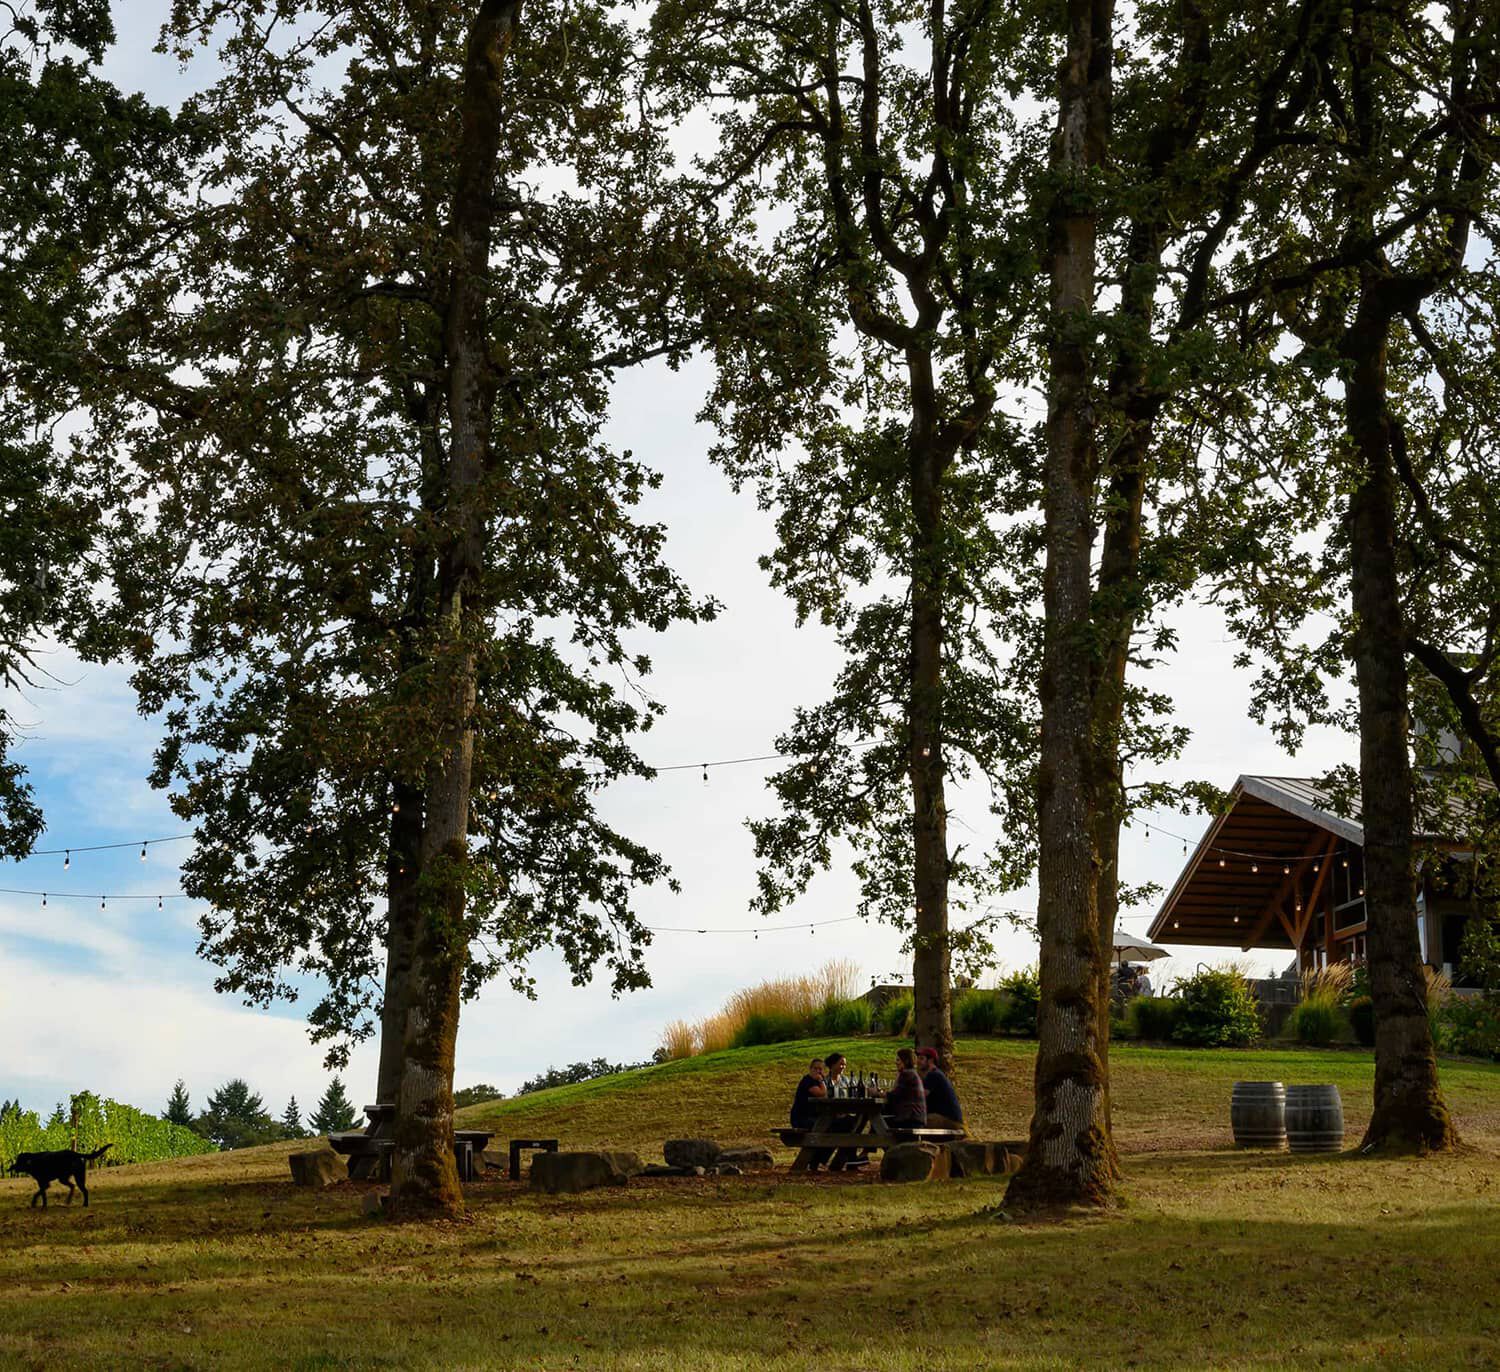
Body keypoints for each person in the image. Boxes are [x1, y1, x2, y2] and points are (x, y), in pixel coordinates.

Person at [914, 1047, 963, 1132]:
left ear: (931, 1060)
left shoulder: (934, 1075)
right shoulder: (932, 1075)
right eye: (917, 1058)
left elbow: (920, 1097)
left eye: (921, 1059)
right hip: (943, 1116)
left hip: (948, 1119)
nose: (918, 1061)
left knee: (915, 1122)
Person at [883, 1047, 927, 1128]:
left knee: (879, 1123)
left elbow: (894, 1096)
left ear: (905, 1061)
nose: (896, 1062)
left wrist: (878, 1093)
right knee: (880, 1119)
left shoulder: (907, 1074)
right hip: (916, 1119)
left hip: (911, 1120)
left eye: (898, 1060)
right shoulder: (912, 1073)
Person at [790, 1058, 827, 1130]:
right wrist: (821, 1081)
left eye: (820, 1069)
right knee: (823, 1125)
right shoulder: (808, 1080)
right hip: (802, 1118)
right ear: (810, 1069)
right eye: (815, 1068)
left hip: (813, 1116)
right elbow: (821, 1093)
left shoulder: (817, 1081)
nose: (817, 1071)